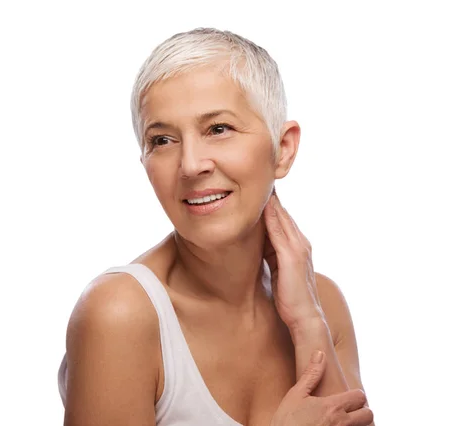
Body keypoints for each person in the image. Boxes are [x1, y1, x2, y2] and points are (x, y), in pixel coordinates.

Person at [57, 27, 375, 426]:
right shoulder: (120, 314)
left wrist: (308, 322)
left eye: (218, 129)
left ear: (284, 149)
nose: (191, 165)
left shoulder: (323, 303)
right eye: (162, 140)